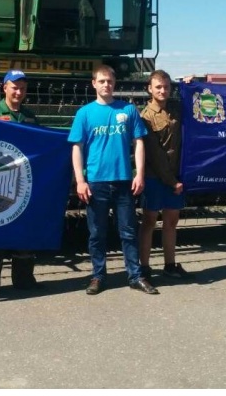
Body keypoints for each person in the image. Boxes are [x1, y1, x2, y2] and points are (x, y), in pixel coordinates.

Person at [68, 64, 158, 295]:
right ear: (94, 84)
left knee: (128, 232)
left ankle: (135, 276)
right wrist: (80, 180)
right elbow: (77, 147)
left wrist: (139, 173)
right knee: (97, 234)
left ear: (114, 83)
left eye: (110, 81)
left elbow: (139, 143)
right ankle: (98, 276)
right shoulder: (84, 113)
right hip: (96, 182)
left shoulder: (128, 110)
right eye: (102, 81)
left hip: (123, 180)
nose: (106, 85)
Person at [0, 69, 40, 298]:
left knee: (24, 231)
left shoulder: (30, 117)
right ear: (4, 88)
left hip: (22, 184)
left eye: (22, 88)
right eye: (14, 87)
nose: (18, 92)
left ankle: (24, 279)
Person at [138, 70, 191, 282]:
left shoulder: (176, 109)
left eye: (166, 87)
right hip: (155, 177)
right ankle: (144, 268)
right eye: (158, 87)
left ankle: (170, 265)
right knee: (149, 221)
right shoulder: (145, 117)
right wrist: (173, 182)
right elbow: (155, 155)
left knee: (171, 221)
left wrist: (191, 85)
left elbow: (196, 104)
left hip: (175, 175)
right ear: (149, 89)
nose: (163, 90)